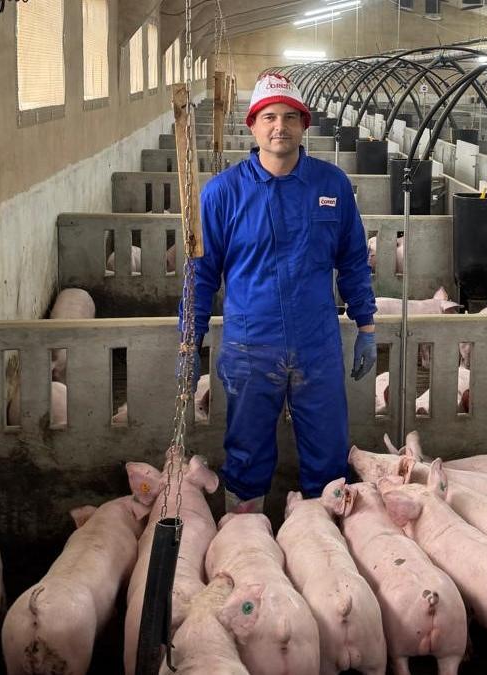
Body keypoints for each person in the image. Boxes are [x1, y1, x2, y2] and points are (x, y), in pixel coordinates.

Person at [179, 73, 377, 514]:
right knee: (246, 451)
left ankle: (325, 548)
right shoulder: (223, 193)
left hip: (316, 343)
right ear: (252, 125)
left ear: (305, 124)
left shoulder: (332, 186)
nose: (279, 126)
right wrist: (190, 342)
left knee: (327, 451)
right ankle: (246, 539)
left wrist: (365, 324)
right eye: (269, 117)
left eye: (290, 117)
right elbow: (200, 275)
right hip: (251, 344)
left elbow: (353, 261)